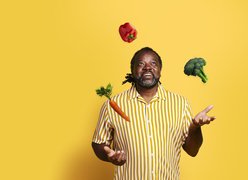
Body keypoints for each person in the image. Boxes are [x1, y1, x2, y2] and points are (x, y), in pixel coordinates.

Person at [92, 47, 216, 180]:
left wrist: (196, 127)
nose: (147, 67)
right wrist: (110, 157)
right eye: (140, 64)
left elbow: (192, 151)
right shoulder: (112, 104)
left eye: (153, 63)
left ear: (160, 70)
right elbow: (98, 143)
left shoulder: (180, 103)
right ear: (133, 71)